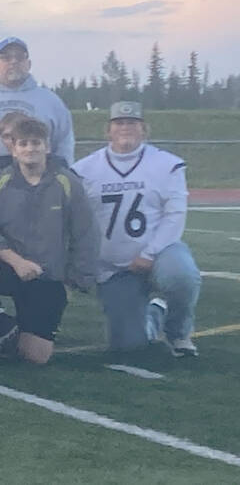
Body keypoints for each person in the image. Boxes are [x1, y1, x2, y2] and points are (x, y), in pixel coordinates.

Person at [0, 118, 100, 368]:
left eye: (36, 143)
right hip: (7, 266)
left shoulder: (67, 183)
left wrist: (74, 281)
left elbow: (86, 233)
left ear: (47, 147)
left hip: (46, 275)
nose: (30, 149)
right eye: (23, 144)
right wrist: (15, 261)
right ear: (13, 149)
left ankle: (5, 331)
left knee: (35, 356)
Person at [73, 102, 200, 357]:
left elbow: (174, 215)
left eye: (132, 123)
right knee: (128, 346)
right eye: (119, 123)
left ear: (145, 129)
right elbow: (77, 222)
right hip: (113, 266)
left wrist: (149, 254)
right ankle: (154, 316)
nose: (125, 128)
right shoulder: (84, 171)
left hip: (160, 252)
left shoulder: (167, 164)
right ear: (107, 130)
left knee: (182, 275)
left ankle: (179, 333)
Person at [0, 37, 75, 181]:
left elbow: (64, 145)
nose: (13, 61)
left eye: (19, 57)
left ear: (29, 64)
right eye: (6, 57)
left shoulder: (51, 102)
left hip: (40, 189)